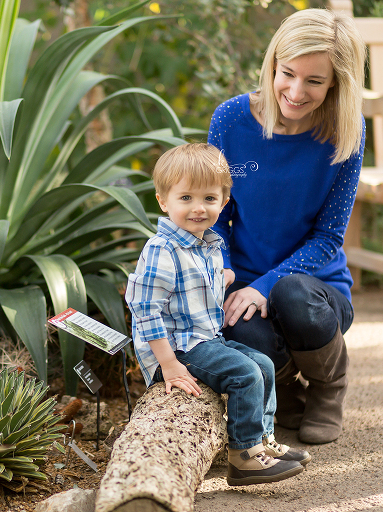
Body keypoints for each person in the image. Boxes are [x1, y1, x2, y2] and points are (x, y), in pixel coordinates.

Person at [208, 8, 366, 445]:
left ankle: (329, 388)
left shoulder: (347, 130)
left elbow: (328, 238)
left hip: (317, 293)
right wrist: (221, 268)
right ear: (272, 64)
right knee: (237, 328)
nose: (296, 92)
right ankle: (289, 393)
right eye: (287, 74)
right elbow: (216, 216)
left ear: (336, 83)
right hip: (244, 284)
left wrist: (267, 285)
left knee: (291, 293)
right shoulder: (231, 120)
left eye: (314, 81)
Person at [125, 143, 311, 487]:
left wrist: (221, 277)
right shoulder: (162, 249)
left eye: (209, 199)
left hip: (205, 337)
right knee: (244, 374)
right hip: (179, 347)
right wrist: (167, 363)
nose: (198, 208)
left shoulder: (207, 244)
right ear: (163, 201)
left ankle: (261, 440)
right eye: (185, 199)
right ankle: (242, 458)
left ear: (224, 202)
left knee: (265, 365)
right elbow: (144, 309)